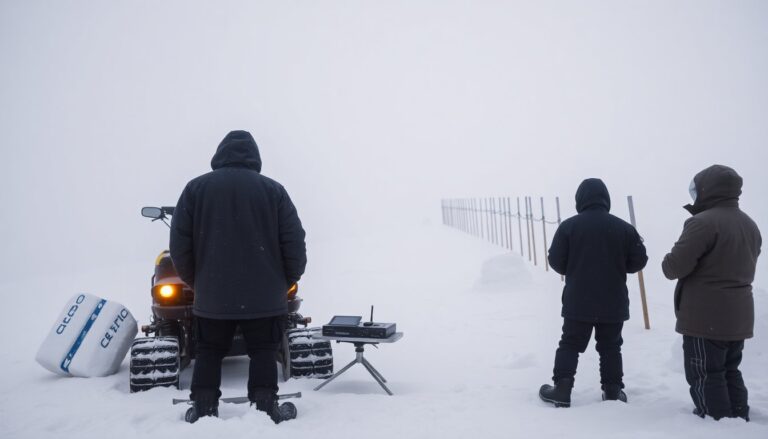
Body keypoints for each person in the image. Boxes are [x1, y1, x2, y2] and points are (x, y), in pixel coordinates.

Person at [170, 130, 307, 424]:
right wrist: (282, 283)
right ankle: (265, 407)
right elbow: (295, 243)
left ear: (219, 154)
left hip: (213, 293)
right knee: (262, 350)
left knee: (208, 350)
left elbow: (179, 247)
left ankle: (204, 409)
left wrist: (200, 283)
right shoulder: (274, 191)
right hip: (265, 295)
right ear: (255, 156)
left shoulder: (195, 189)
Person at [662, 165, 761, 421]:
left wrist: (667, 259)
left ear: (707, 189)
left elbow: (674, 267)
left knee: (705, 372)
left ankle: (716, 423)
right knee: (730, 370)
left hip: (705, 316)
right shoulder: (749, 224)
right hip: (738, 314)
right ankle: (739, 420)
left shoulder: (702, 223)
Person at [539, 178, 648, 407]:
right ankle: (612, 390)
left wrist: (576, 266)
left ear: (580, 200)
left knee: (570, 343)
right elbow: (639, 261)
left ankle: (562, 389)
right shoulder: (624, 228)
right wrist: (618, 264)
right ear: (606, 199)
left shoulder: (569, 226)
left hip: (578, 300)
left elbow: (556, 261)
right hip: (613, 300)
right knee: (610, 346)